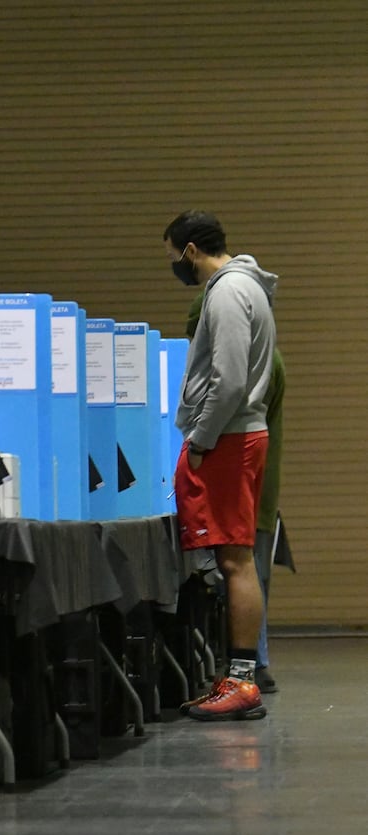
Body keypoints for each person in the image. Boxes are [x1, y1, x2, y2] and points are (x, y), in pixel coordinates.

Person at [163, 210, 276, 721]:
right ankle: (237, 677)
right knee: (236, 558)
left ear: (190, 251)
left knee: (235, 561)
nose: (174, 267)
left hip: (229, 438)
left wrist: (203, 440)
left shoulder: (228, 291)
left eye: (173, 257)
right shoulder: (245, 287)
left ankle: (243, 683)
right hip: (235, 436)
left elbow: (228, 380)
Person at [183, 291, 286, 695]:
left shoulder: (260, 365)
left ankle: (254, 668)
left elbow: (233, 417)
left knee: (245, 571)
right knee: (248, 570)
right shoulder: (268, 359)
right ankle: (252, 666)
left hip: (249, 487)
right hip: (253, 484)